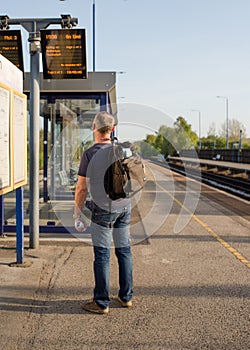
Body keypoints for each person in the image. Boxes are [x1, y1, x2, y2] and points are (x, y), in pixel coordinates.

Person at [74, 111, 133, 315]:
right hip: (124, 206)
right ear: (112, 129)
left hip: (103, 210)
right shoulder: (121, 150)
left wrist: (77, 214)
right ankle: (126, 298)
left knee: (102, 254)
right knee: (124, 251)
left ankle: (101, 302)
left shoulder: (90, 154)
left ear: (94, 129)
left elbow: (81, 188)